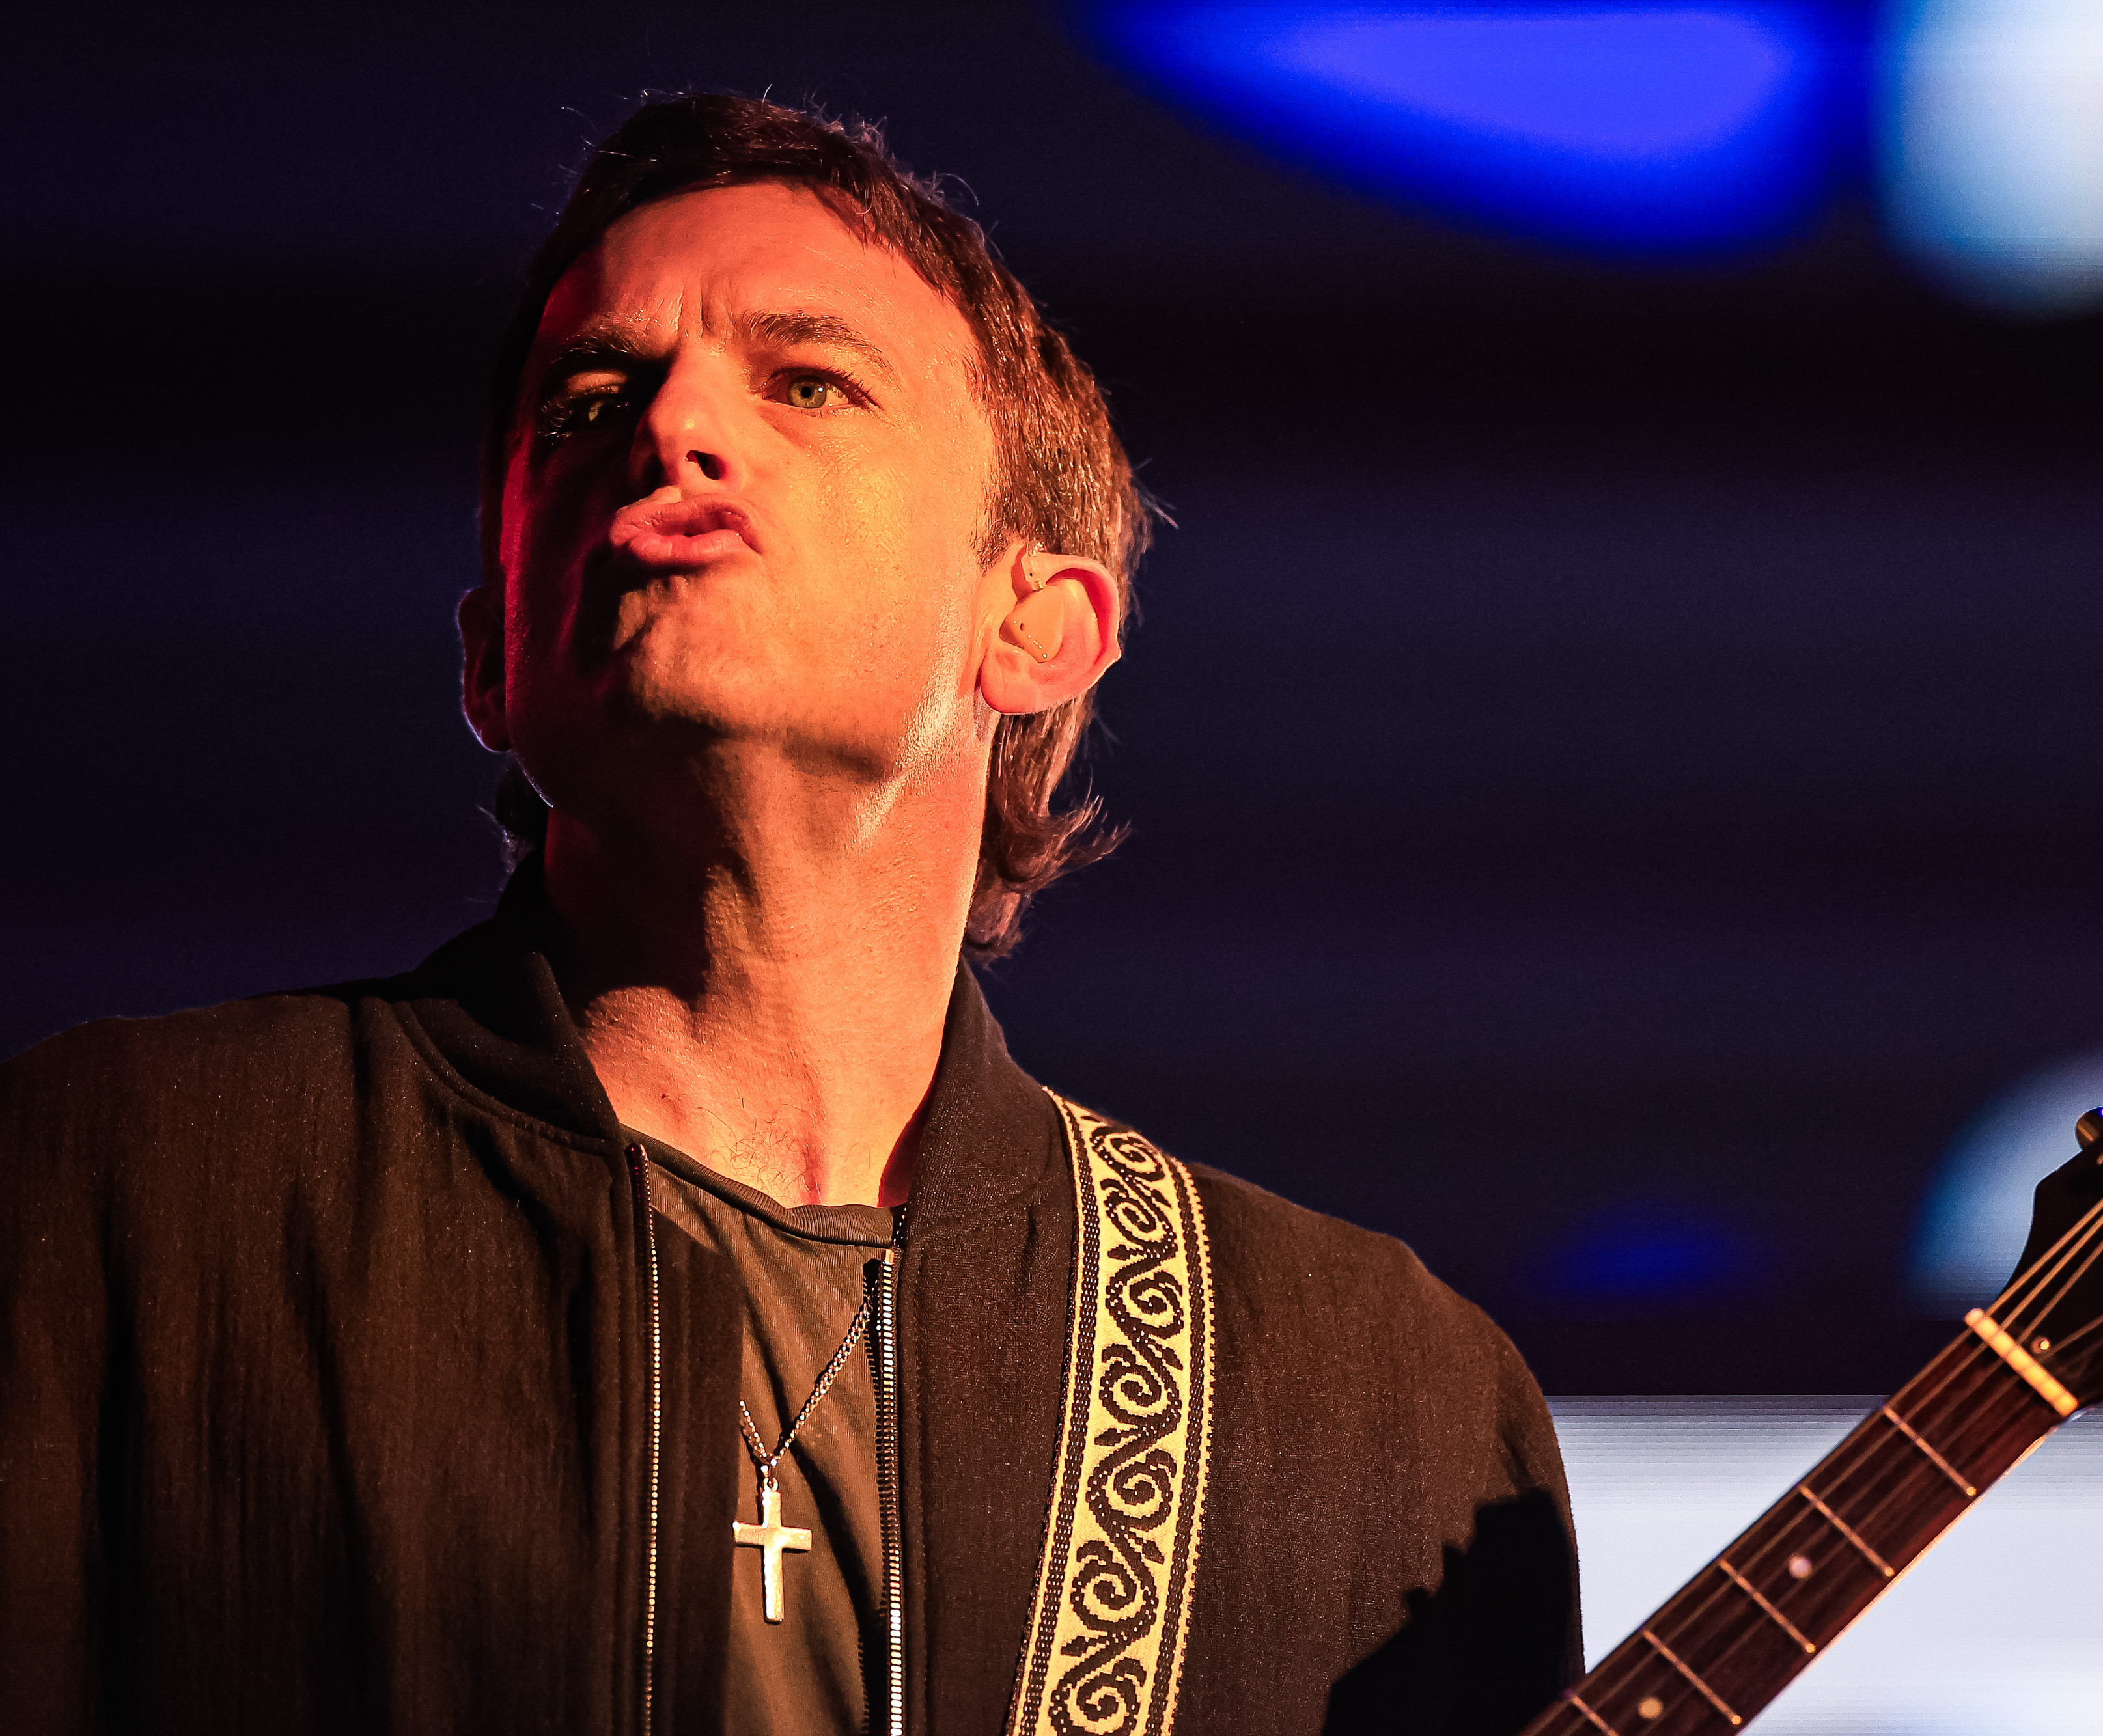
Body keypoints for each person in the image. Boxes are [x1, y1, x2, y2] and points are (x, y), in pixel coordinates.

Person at [0, 96, 1578, 1735]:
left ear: (1036, 626)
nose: (671, 426)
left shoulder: (1374, 1394)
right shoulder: (122, 1193)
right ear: (490, 654)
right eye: (588, 403)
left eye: (806, 381)